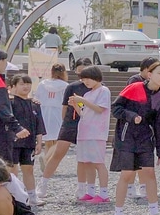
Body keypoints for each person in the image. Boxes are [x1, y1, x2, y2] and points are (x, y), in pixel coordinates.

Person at [111, 63, 160, 215]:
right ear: (149, 74)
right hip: (126, 137)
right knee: (127, 174)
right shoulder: (134, 87)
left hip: (145, 140)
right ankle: (118, 214)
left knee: (150, 174)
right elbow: (115, 108)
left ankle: (154, 213)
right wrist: (131, 116)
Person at [38, 59, 91, 204]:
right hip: (70, 123)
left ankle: (82, 188)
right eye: (80, 71)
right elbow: (64, 107)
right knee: (58, 153)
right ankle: (43, 184)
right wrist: (65, 123)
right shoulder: (71, 86)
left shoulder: (98, 88)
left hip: (87, 124)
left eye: (85, 70)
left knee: (83, 158)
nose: (83, 74)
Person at [72, 65, 111, 204]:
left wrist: (82, 101)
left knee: (98, 162)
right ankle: (90, 191)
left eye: (88, 78)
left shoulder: (103, 91)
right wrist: (76, 106)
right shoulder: (88, 94)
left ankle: (104, 193)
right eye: (83, 79)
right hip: (84, 132)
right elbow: (84, 113)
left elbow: (100, 109)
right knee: (87, 162)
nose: (86, 82)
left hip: (96, 133)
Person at [7, 74, 43, 205]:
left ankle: (32, 196)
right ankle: (14, 196)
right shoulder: (10, 103)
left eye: (28, 84)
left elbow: (39, 125)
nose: (26, 86)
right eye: (22, 84)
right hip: (13, 142)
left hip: (29, 142)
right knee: (12, 169)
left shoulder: (34, 104)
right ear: (13, 87)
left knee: (29, 169)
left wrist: (39, 142)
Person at [36, 63, 68, 165]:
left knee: (49, 139)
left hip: (44, 111)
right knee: (59, 139)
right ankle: (47, 160)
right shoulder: (65, 86)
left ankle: (47, 162)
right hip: (59, 112)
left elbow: (37, 98)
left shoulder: (42, 83)